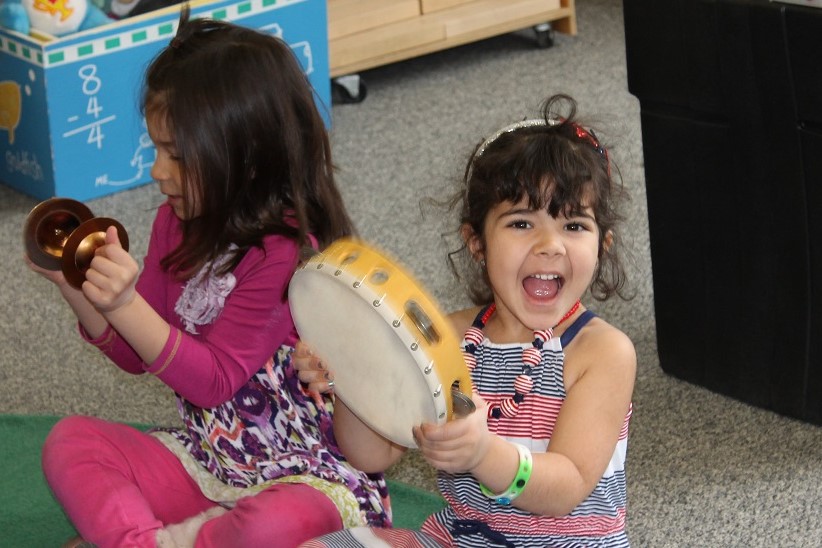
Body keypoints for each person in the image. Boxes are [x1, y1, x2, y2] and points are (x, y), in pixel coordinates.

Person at [29, 7, 390, 548]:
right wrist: (76, 288)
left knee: (277, 523)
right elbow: (135, 353)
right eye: (156, 148)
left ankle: (166, 537)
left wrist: (124, 304)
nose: (156, 171)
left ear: (246, 158)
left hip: (307, 475)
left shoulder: (286, 253)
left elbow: (214, 379)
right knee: (70, 442)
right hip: (212, 460)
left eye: (176, 154)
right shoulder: (174, 221)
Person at [296, 94, 637, 547]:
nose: (550, 245)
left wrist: (483, 454)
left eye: (574, 226)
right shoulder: (447, 338)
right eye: (521, 223)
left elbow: (566, 488)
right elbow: (371, 454)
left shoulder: (602, 352)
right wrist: (351, 377)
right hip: (462, 538)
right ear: (476, 242)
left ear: (602, 245)